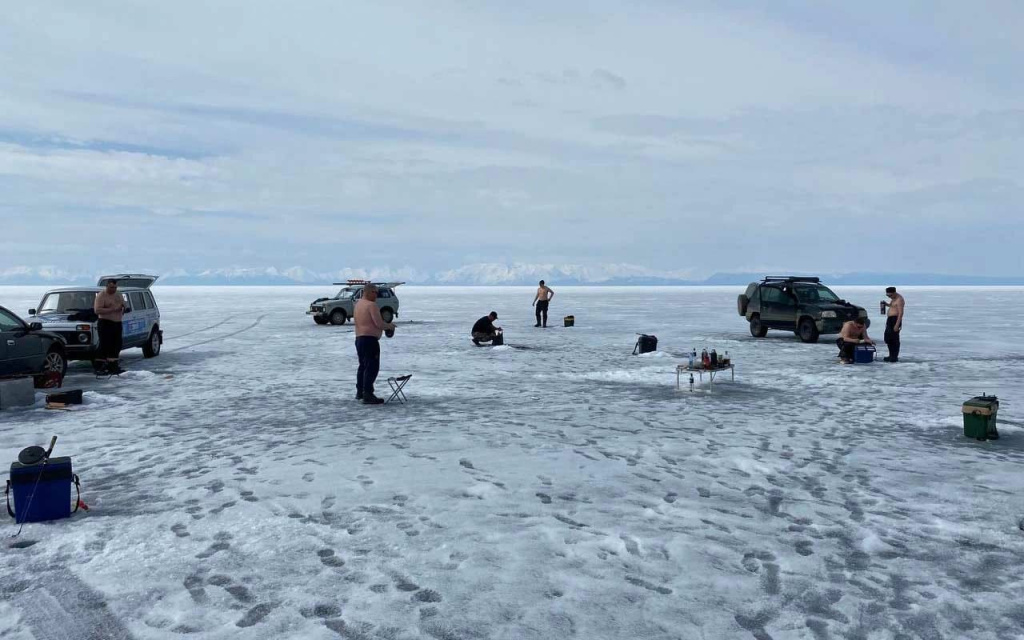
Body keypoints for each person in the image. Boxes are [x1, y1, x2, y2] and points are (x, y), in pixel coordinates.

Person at [353, 284, 396, 404]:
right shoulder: (371, 305)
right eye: (375, 292)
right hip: (369, 340)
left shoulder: (358, 304)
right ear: (368, 292)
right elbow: (379, 324)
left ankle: (360, 391)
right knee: (371, 367)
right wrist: (390, 326)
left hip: (359, 339)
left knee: (363, 366)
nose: (377, 295)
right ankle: (368, 393)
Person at [93, 279, 127, 375]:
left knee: (116, 345)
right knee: (104, 345)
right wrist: (112, 309)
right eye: (111, 287)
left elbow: (124, 303)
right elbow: (97, 310)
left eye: (115, 287)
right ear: (107, 286)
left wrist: (124, 307)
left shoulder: (118, 294)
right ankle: (99, 367)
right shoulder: (101, 295)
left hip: (117, 322)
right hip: (105, 322)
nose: (113, 289)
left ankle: (113, 366)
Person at [881, 286, 905, 363]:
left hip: (895, 320)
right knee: (888, 338)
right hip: (890, 319)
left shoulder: (899, 300)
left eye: (890, 295)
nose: (889, 297)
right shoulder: (893, 299)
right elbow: (892, 306)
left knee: (894, 339)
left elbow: (900, 313)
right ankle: (890, 355)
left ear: (894, 293)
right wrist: (886, 304)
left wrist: (897, 324)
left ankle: (894, 356)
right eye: (887, 295)